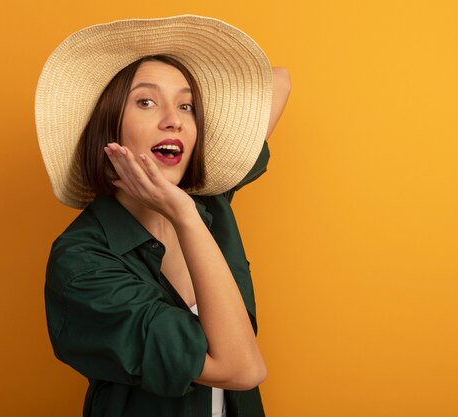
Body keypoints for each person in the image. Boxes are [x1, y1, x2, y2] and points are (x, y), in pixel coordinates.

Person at [35, 15, 291, 417]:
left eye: (186, 106)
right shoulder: (82, 263)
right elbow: (242, 369)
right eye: (146, 101)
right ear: (108, 128)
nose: (172, 119)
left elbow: (279, 80)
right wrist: (184, 215)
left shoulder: (210, 202)